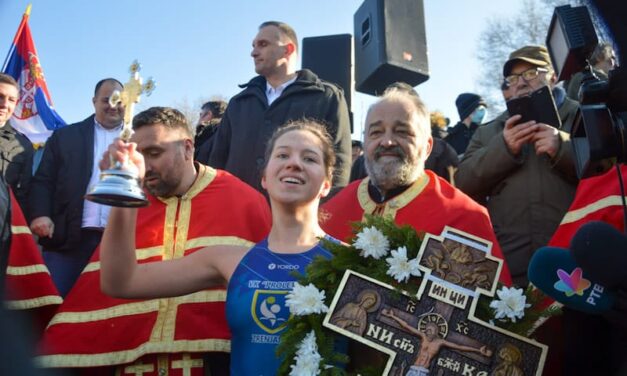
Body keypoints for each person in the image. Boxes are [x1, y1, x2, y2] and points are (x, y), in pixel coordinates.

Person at [37, 107, 271, 375]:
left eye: (155, 153)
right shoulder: (131, 201)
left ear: (187, 148)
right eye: (139, 154)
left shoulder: (242, 200)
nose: (145, 166)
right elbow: (108, 287)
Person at [98, 119, 338, 375]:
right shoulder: (228, 260)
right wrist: (126, 186)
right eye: (282, 155)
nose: (294, 163)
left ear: (326, 183)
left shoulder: (350, 261)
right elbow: (121, 282)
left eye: (310, 159)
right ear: (265, 177)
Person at [321, 88, 512, 285]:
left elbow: (487, 308)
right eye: (376, 132)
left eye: (402, 132)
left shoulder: (464, 217)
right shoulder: (330, 211)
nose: (386, 142)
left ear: (427, 147)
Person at [455, 45, 579, 286]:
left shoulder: (581, 115)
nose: (520, 83)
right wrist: (503, 149)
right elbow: (463, 184)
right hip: (512, 271)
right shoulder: (488, 131)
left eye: (531, 73)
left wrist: (562, 147)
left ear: (553, 78)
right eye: (512, 79)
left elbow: (610, 172)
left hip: (575, 264)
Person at [207, 21, 351, 196]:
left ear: (288, 49)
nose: (253, 52)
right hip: (237, 214)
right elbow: (217, 162)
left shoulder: (326, 97)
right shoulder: (238, 103)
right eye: (253, 45)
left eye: (263, 44)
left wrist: (323, 213)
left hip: (299, 217)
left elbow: (339, 163)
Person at [28, 78, 124, 297]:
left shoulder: (139, 140)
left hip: (120, 242)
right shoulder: (66, 136)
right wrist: (40, 215)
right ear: (94, 101)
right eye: (106, 100)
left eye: (118, 100)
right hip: (68, 238)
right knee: (55, 304)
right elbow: (44, 180)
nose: (113, 105)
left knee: (110, 313)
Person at [382, 309, 491, 376]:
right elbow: (406, 326)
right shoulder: (423, 336)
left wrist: (478, 351)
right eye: (427, 330)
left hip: (423, 372)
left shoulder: (440, 342)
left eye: (431, 331)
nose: (428, 332)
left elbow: (459, 346)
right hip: (413, 369)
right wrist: (392, 316)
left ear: (436, 332)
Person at [0, 73, 34, 217]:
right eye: (0, 96)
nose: (4, 104)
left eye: (11, 100)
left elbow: (23, 195)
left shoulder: (22, 146)